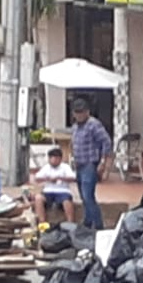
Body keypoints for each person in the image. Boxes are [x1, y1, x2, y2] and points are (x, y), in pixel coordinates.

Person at [70, 98, 113, 230]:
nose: (79, 115)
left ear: (87, 112)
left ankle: (98, 225)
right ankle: (88, 222)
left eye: (81, 112)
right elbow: (73, 144)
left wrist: (103, 163)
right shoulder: (75, 126)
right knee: (83, 196)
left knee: (88, 196)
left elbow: (106, 142)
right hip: (79, 164)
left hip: (90, 164)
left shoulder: (94, 125)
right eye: (76, 112)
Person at [31, 147, 76, 223]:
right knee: (38, 198)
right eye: (51, 158)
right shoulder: (46, 167)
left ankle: (70, 223)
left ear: (60, 159)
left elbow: (73, 178)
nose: (54, 160)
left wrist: (60, 178)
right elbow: (37, 178)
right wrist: (48, 179)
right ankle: (42, 223)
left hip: (63, 191)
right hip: (48, 191)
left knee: (67, 201)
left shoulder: (65, 167)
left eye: (56, 158)